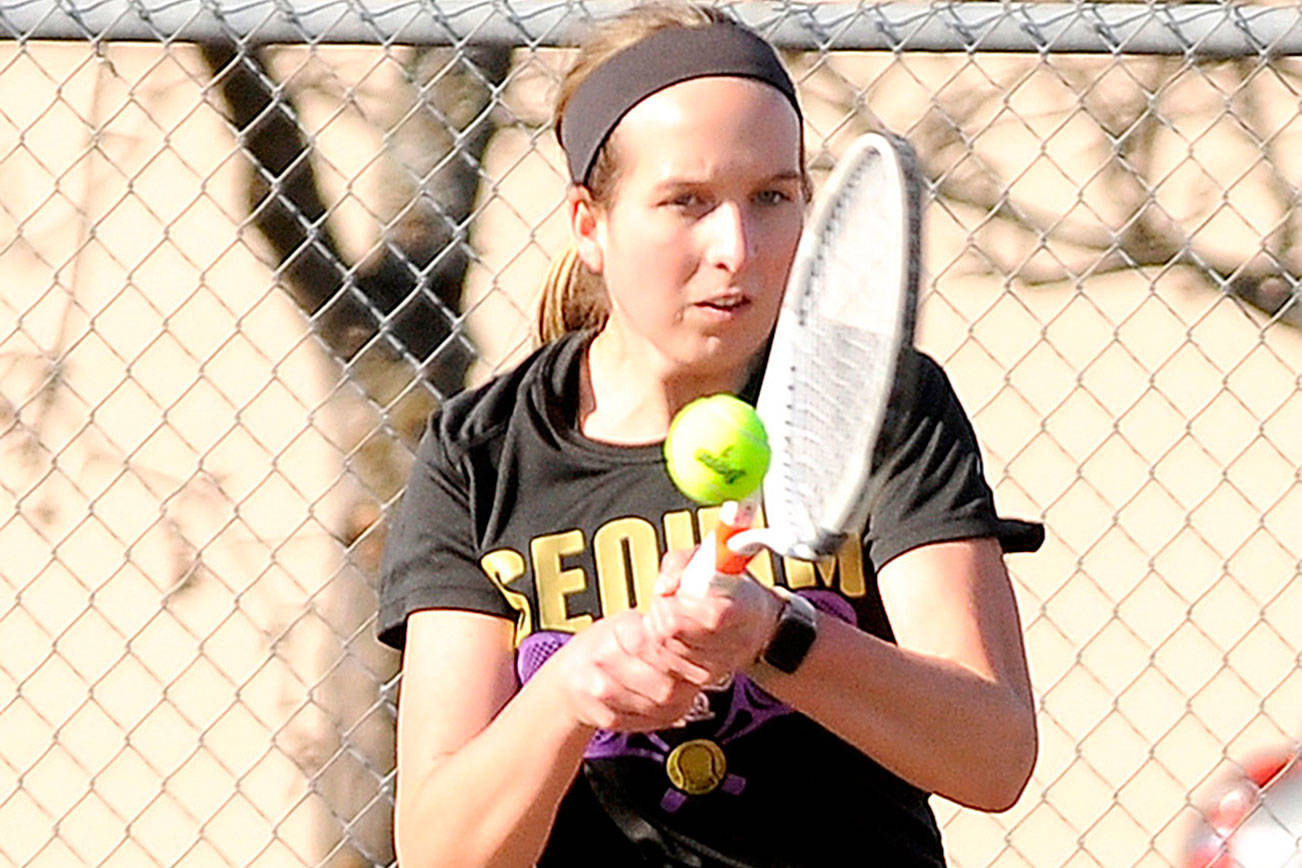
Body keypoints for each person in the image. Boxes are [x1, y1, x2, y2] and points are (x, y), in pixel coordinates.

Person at [377, 5, 1042, 866]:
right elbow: (442, 852)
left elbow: (992, 756)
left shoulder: (886, 406)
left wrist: (777, 633)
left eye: (772, 197)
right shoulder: (483, 454)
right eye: (686, 202)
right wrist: (572, 692)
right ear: (590, 225)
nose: (737, 246)